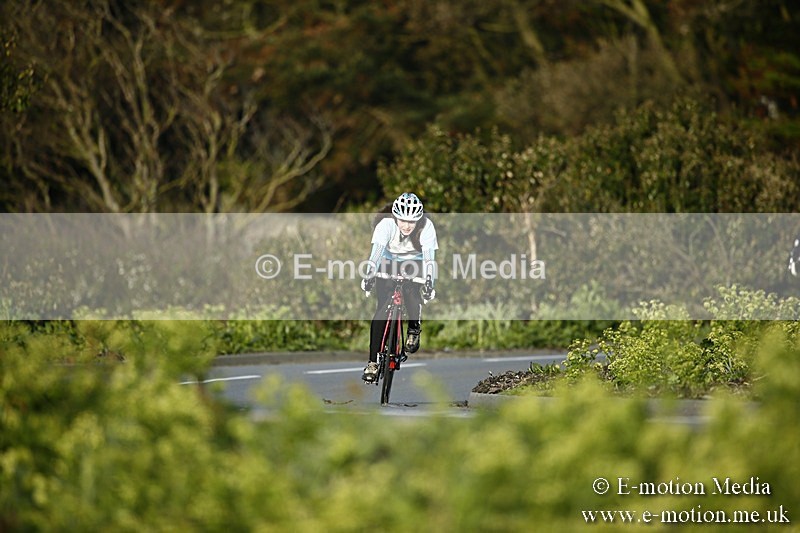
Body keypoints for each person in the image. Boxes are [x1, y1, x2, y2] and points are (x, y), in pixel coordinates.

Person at [360, 192, 438, 382]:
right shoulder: (385, 225)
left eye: (411, 222)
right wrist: (369, 276)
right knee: (382, 307)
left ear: (418, 219)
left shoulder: (426, 227)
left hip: (415, 262)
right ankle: (372, 363)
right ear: (395, 217)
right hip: (389, 261)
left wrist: (429, 282)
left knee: (412, 292)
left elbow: (429, 260)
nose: (406, 226)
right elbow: (375, 255)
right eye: (402, 220)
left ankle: (414, 327)